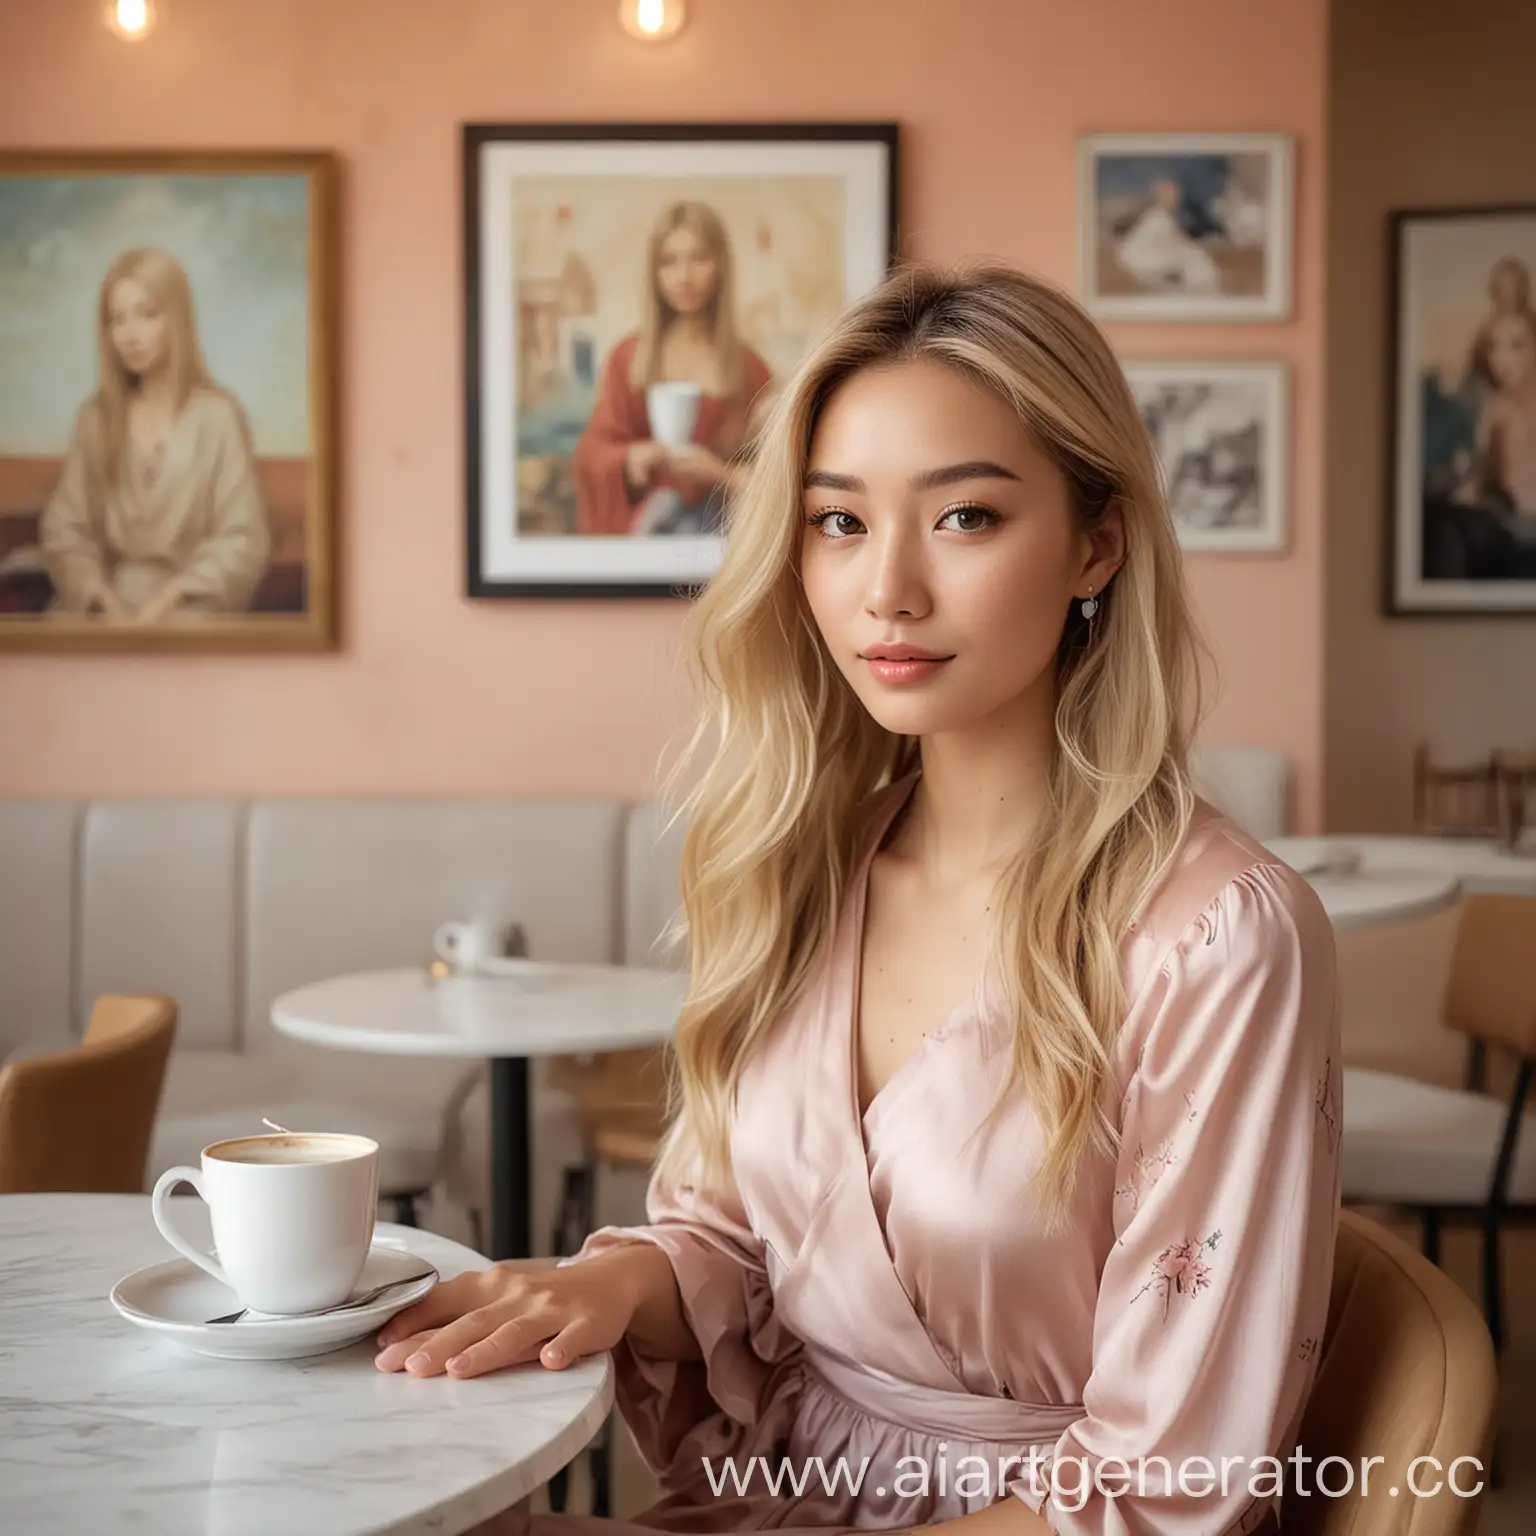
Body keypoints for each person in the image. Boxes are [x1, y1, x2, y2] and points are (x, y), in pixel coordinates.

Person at [379, 264, 1341, 1536]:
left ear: (1097, 542)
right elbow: (733, 1240)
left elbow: (1165, 1488)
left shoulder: (1219, 938)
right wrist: (607, 1283)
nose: (886, 587)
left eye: (966, 519)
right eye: (839, 522)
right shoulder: (807, 864)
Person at [40, 247, 271, 620]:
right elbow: (65, 529)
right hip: (105, 605)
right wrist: (101, 596)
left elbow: (242, 538)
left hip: (192, 603)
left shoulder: (218, 417)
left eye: (147, 315)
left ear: (176, 319)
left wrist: (172, 598)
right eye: (117, 320)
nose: (130, 336)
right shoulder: (95, 418)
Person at [571, 202, 772, 536]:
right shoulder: (628, 358)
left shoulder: (749, 367)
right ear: (655, 273)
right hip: (646, 539)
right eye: (669, 262)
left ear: (720, 265)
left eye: (699, 258)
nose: (684, 277)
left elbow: (779, 476)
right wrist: (630, 458)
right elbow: (591, 453)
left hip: (721, 537)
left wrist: (720, 474)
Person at [1112, 177, 1221, 295]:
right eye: (1170, 195)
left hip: (1164, 259)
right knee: (1196, 262)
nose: (1174, 199)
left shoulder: (1166, 218)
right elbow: (1140, 246)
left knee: (1198, 259)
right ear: (1160, 197)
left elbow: (1177, 241)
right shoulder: (1155, 219)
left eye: (1176, 195)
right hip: (1148, 259)